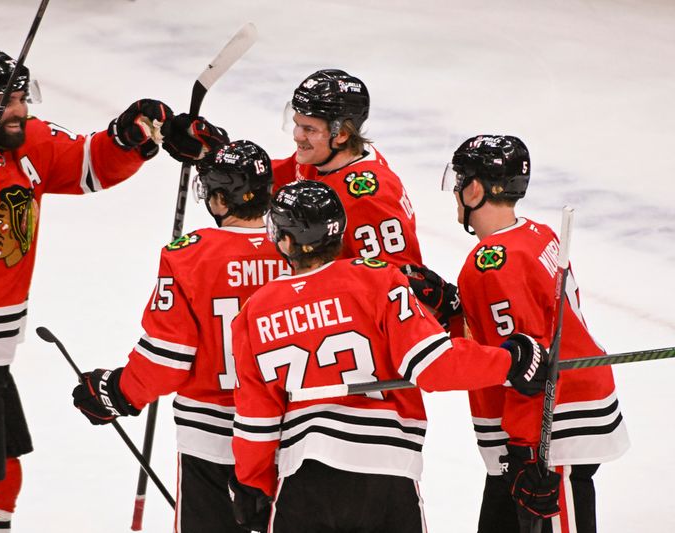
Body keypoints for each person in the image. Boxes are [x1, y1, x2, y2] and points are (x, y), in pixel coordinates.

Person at [0, 48, 227, 533]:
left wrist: (128, 136)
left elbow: (88, 163)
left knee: (4, 471)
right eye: (9, 99)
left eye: (24, 97)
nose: (21, 108)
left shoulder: (29, 143)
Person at [227, 180, 553, 533]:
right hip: (386, 475)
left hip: (304, 481)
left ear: (286, 241)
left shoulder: (255, 311)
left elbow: (256, 418)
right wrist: (512, 361)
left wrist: (252, 484)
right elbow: (435, 366)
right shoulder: (377, 279)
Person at [409, 135, 630, 533]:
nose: (456, 193)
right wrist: (453, 305)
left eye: (460, 182)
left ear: (475, 189)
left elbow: (529, 367)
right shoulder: (537, 234)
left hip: (552, 430)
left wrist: (526, 454)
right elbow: (512, 332)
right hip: (563, 410)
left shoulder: (491, 263)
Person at [70, 140, 290, 533]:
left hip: (212, 442)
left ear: (221, 199)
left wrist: (116, 392)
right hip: (290, 436)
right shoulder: (298, 249)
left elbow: (167, 359)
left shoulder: (190, 255)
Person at [273, 69, 422, 268]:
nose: (297, 136)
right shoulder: (320, 157)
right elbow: (272, 179)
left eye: (309, 129)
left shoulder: (367, 199)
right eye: (297, 124)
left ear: (341, 134)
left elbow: (394, 279)